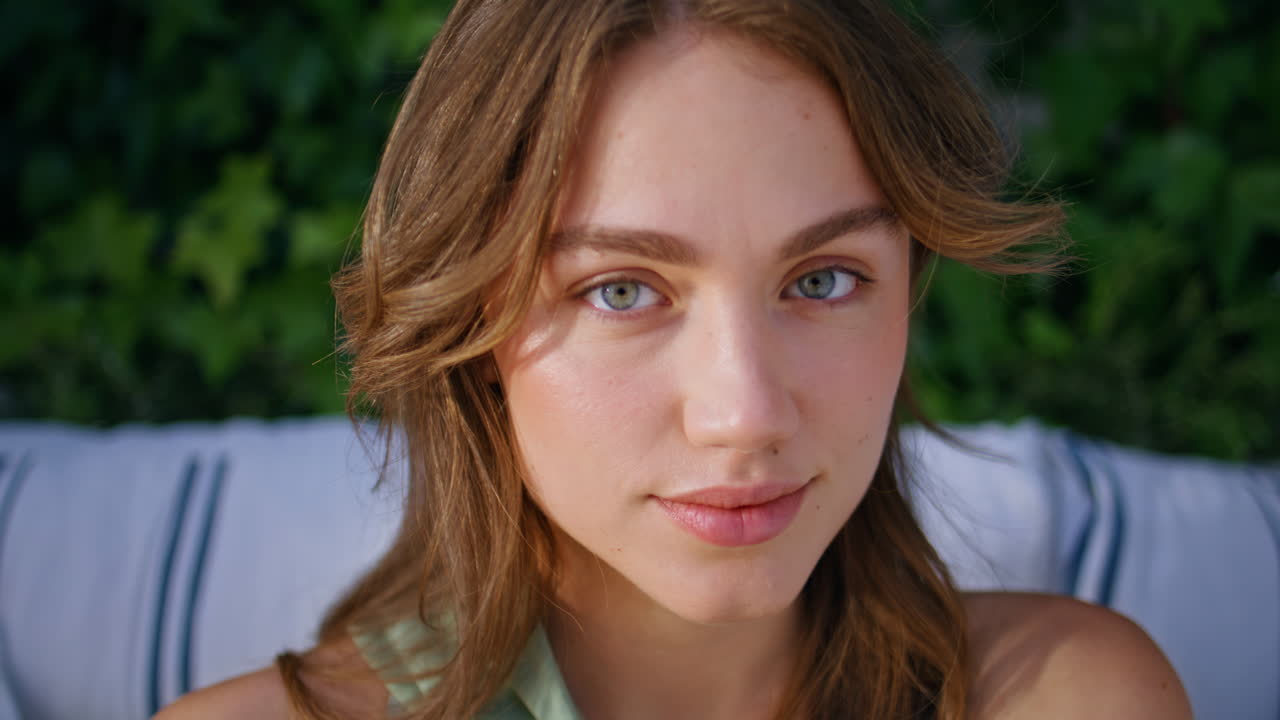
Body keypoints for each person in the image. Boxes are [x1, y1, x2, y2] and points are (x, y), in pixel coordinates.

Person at [158, 0, 1192, 718]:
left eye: (822, 279)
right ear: (474, 330)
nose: (743, 414)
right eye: (621, 291)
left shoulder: (1069, 696)